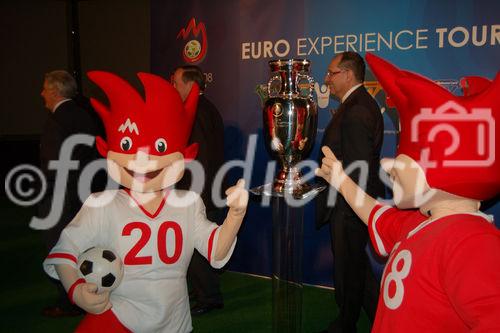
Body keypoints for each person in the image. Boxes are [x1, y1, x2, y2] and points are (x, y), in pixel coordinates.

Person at [43, 71, 248, 332]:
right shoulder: (102, 203)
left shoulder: (188, 203)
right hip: (119, 315)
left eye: (160, 148)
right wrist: (76, 290)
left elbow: (216, 252)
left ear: (185, 156)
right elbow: (65, 251)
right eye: (127, 145)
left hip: (175, 322)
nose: (142, 160)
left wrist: (235, 215)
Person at [316, 52, 500, 332]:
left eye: (407, 158)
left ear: (446, 169)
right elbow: (376, 214)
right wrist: (342, 180)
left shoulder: (473, 244)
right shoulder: (419, 221)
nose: (390, 165)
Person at [315, 52, 384, 332]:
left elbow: (358, 168)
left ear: (348, 75)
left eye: (331, 73)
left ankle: (346, 324)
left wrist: (352, 206)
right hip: (350, 203)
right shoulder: (358, 105)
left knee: (348, 267)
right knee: (357, 266)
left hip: (349, 204)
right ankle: (382, 318)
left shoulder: (356, 110)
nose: (326, 79)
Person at [39, 70, 99, 317]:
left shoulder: (58, 120)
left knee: (60, 248)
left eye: (44, 88)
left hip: (60, 198)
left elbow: (55, 165)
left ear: (54, 91)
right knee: (83, 246)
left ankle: (69, 301)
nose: (41, 93)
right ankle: (86, 294)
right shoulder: (84, 116)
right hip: (82, 194)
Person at [172, 65, 226, 315]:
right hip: (203, 191)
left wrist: (192, 197)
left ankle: (209, 299)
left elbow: (201, 158)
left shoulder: (198, 112)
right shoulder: (204, 108)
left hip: (199, 193)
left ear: (190, 85)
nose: (172, 87)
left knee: (197, 249)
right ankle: (201, 292)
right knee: (194, 248)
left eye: (176, 83)